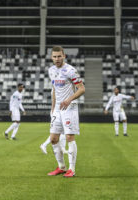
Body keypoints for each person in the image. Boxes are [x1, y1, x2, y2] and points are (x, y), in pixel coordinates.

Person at [47, 46, 85, 177]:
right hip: (57, 109)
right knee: (53, 139)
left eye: (59, 56)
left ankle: (72, 169)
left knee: (69, 137)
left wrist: (69, 99)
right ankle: (61, 167)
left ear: (64, 56)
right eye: (54, 56)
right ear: (51, 57)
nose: (57, 59)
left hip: (69, 107)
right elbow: (54, 90)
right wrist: (52, 109)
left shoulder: (70, 70)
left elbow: (81, 89)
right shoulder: (51, 70)